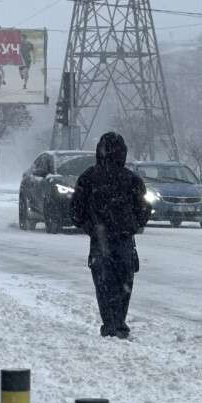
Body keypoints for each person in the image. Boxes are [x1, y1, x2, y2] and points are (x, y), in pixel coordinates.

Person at [70, 132, 150, 338]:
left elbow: (76, 211)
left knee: (104, 285)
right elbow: (143, 210)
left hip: (100, 240)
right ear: (123, 153)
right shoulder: (131, 180)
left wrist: (91, 226)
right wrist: (133, 224)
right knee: (124, 283)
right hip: (124, 239)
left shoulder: (88, 178)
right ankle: (119, 323)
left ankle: (110, 324)